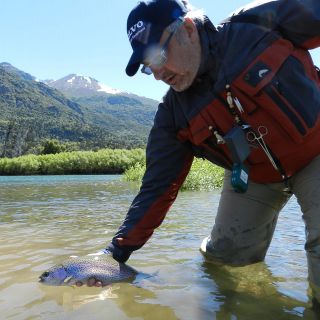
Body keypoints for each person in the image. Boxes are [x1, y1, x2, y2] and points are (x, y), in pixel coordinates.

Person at [86, 0, 320, 306]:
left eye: (157, 55)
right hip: (255, 175)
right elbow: (157, 188)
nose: (157, 73)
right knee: (223, 259)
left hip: (316, 150)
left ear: (187, 30)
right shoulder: (172, 116)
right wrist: (113, 255)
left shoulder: (257, 24)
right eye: (147, 66)